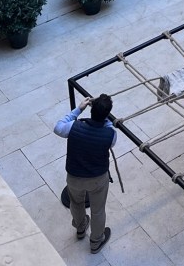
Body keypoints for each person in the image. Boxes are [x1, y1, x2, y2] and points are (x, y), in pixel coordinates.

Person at [53, 94, 116, 254]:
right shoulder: (110, 134)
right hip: (97, 179)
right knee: (98, 210)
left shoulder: (74, 127)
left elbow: (58, 127)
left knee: (76, 203)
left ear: (91, 110)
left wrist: (78, 109)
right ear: (107, 114)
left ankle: (80, 228)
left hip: (74, 176)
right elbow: (110, 130)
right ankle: (96, 242)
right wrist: (106, 118)